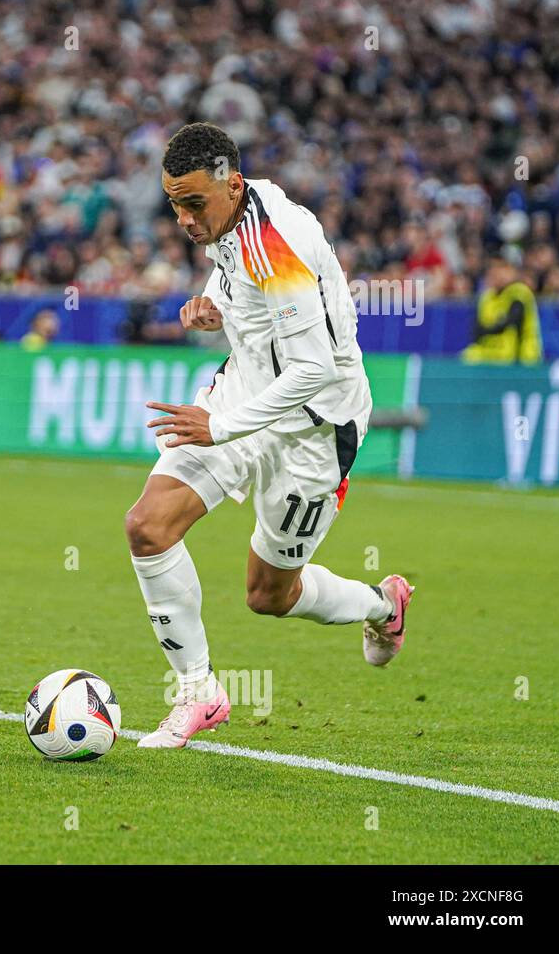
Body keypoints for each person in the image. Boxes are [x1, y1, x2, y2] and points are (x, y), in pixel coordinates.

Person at [127, 122, 413, 748]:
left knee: (269, 594)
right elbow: (236, 278)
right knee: (148, 527)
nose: (182, 219)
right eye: (174, 203)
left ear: (231, 186)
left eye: (193, 203)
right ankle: (199, 692)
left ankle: (381, 605)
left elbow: (312, 369)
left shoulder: (275, 243)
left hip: (314, 428)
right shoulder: (232, 211)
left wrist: (218, 426)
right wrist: (212, 304)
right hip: (244, 391)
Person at [461, 256, 543, 365]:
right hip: (492, 355)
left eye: (503, 268)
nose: (497, 273)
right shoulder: (486, 297)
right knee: (467, 356)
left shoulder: (519, 292)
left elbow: (512, 321)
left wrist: (488, 329)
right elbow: (477, 329)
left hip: (521, 358)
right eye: (493, 269)